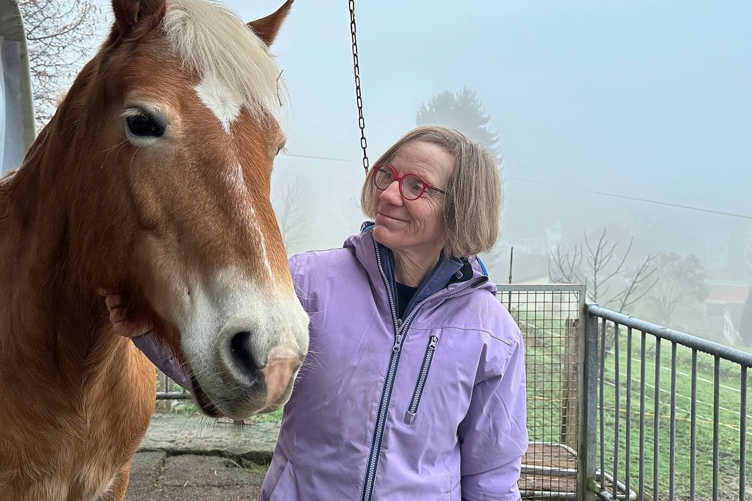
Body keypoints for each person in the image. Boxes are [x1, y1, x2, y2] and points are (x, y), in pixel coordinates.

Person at [105, 125, 528, 500]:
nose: (387, 194)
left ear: (460, 208)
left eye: (415, 185)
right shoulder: (310, 282)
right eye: (387, 174)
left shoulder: (492, 333)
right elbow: (244, 383)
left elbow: (491, 475)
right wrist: (147, 330)